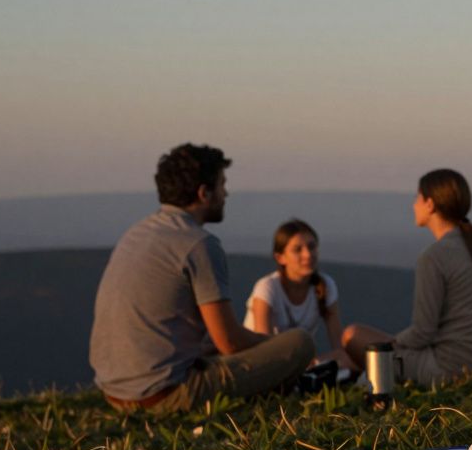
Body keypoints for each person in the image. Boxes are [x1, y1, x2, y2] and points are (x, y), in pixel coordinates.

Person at [90, 143, 315, 412]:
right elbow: (230, 342)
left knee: (212, 346)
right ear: (204, 193)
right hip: (163, 395)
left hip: (114, 392)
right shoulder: (198, 244)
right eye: (222, 185)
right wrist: (275, 347)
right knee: (300, 343)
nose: (226, 193)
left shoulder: (137, 233)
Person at [342, 169, 472, 386]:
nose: (414, 205)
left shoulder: (434, 256)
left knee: (352, 336)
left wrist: (394, 342)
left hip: (450, 369)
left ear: (430, 204)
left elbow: (423, 332)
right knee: (360, 351)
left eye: (418, 198)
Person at [244, 219, 353, 370]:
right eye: (297, 249)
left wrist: (315, 362)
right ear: (280, 257)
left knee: (347, 358)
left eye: (311, 247)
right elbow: (264, 350)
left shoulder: (326, 286)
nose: (307, 255)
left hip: (300, 364)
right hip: (260, 366)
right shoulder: (267, 288)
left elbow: (339, 346)